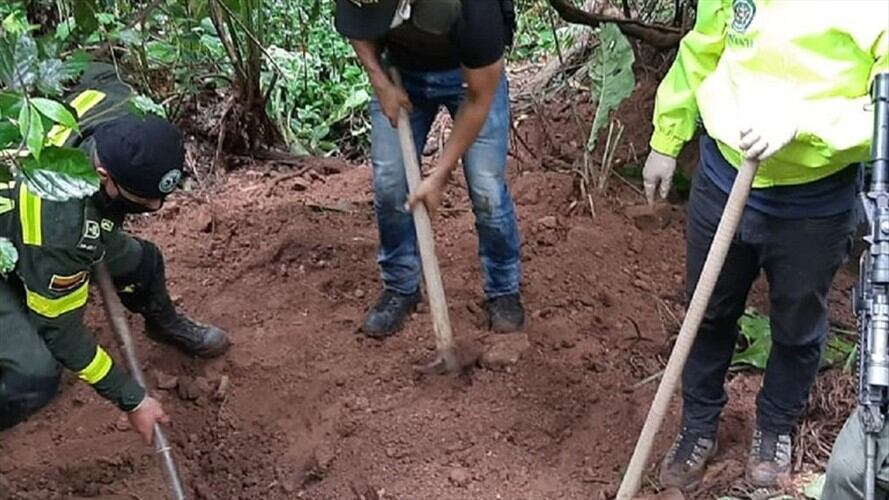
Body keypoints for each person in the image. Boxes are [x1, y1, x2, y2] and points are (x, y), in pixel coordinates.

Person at [641, 0, 888, 491]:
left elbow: (882, 109)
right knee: (707, 311)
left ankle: (775, 424)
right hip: (723, 174)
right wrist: (666, 140)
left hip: (814, 197)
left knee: (797, 325)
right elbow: (701, 52)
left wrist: (807, 121)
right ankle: (699, 423)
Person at [0, 63, 230, 442]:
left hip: (37, 225)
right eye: (143, 199)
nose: (157, 208)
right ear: (104, 174)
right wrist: (133, 399)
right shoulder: (64, 233)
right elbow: (63, 335)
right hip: (23, 239)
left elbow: (100, 67)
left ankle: (164, 324)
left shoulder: (122, 106)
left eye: (162, 197)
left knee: (144, 262)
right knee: (35, 376)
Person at [334, 0, 525, 337]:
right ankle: (401, 287)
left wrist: (438, 175)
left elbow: (480, 98)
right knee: (391, 183)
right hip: (399, 69)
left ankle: (503, 289)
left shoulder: (475, 10)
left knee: (487, 189)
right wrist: (379, 81)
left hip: (470, 74)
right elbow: (355, 24)